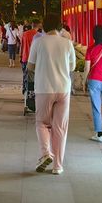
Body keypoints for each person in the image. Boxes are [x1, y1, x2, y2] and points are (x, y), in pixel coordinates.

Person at [27, 13, 75, 175]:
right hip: (63, 88)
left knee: (42, 123)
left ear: (44, 26)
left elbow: (30, 66)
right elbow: (72, 67)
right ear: (59, 26)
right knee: (60, 128)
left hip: (44, 88)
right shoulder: (67, 43)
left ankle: (46, 153)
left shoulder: (38, 42)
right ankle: (58, 166)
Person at [20, 19, 42, 94]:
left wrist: (21, 56)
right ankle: (32, 92)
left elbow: (22, 46)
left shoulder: (25, 34)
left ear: (32, 25)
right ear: (39, 25)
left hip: (25, 57)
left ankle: (24, 90)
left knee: (25, 75)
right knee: (34, 77)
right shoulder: (39, 35)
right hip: (35, 59)